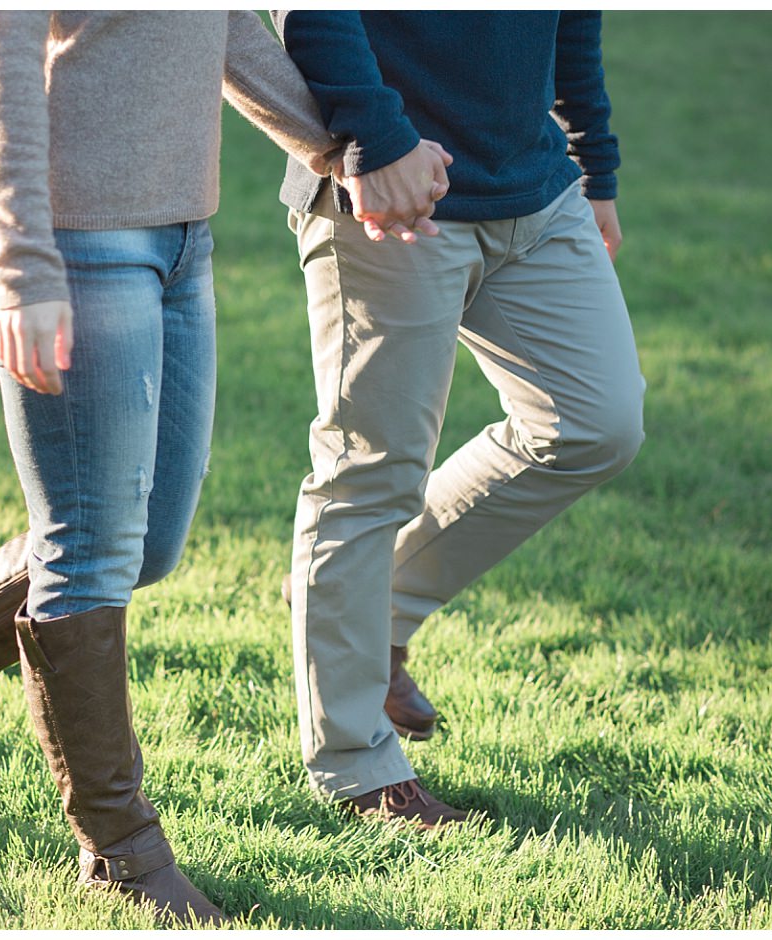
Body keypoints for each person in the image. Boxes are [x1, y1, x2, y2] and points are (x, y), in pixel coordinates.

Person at [0, 12, 340, 925]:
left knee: (144, 542)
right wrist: (22, 262)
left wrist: (347, 143)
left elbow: (219, 26)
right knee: (92, 546)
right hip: (69, 241)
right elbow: (3, 47)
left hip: (182, 238)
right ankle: (122, 853)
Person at [272, 11, 646, 829]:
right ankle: (356, 762)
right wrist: (373, 138)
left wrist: (596, 164)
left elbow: (569, 20)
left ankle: (376, 613)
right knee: (370, 472)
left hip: (538, 189)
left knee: (596, 422)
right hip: (394, 189)